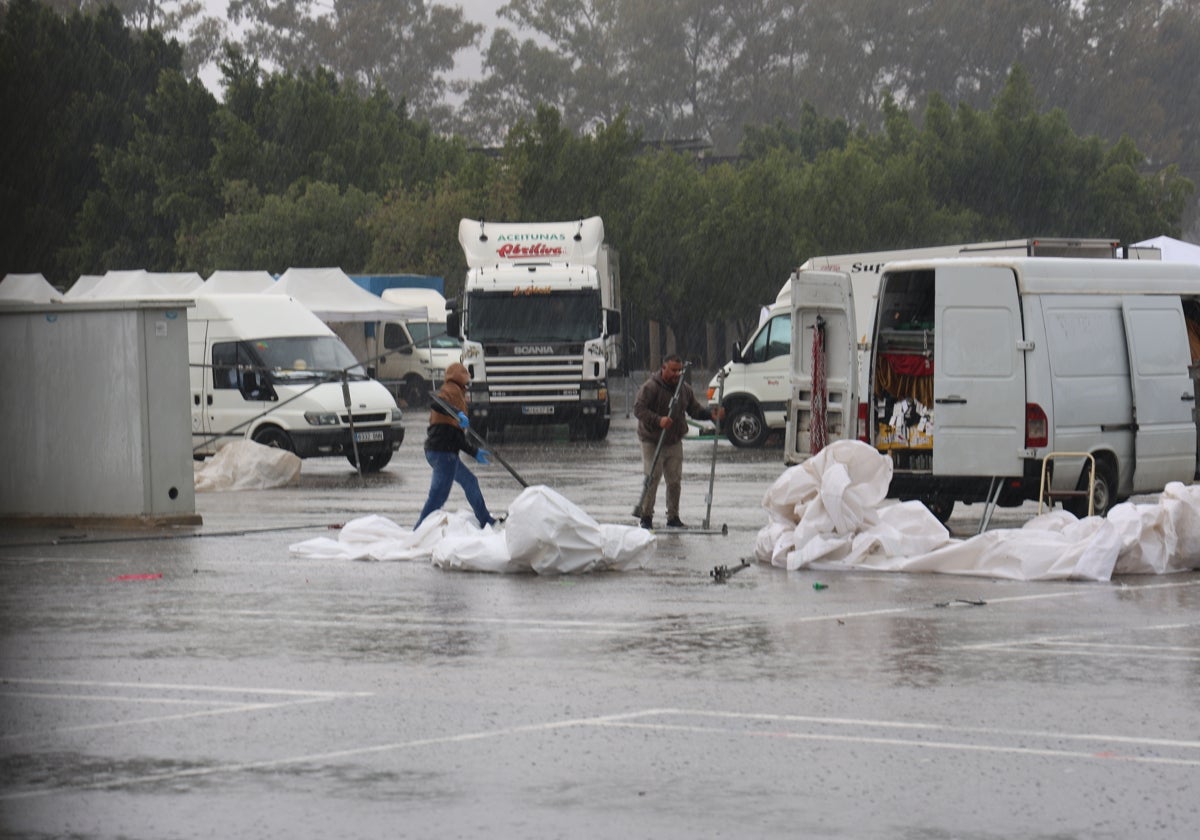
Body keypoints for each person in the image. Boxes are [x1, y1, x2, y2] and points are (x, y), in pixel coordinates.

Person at [633, 354, 723, 529]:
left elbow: (694, 410)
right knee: (652, 477)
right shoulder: (650, 387)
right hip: (652, 440)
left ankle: (673, 517)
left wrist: (709, 414)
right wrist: (658, 420)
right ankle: (646, 517)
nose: (676, 374)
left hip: (673, 441)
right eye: (673, 370)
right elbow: (639, 409)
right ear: (663, 368)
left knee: (674, 481)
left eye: (679, 370)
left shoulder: (684, 389)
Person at [415, 362, 499, 529]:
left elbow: (456, 436)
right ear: (459, 377)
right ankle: (419, 530)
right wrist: (456, 412)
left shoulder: (457, 392)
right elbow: (437, 403)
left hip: (442, 451)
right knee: (438, 496)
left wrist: (474, 452)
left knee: (470, 482)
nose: (468, 380)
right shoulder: (451, 390)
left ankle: (485, 520)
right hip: (443, 453)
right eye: (465, 376)